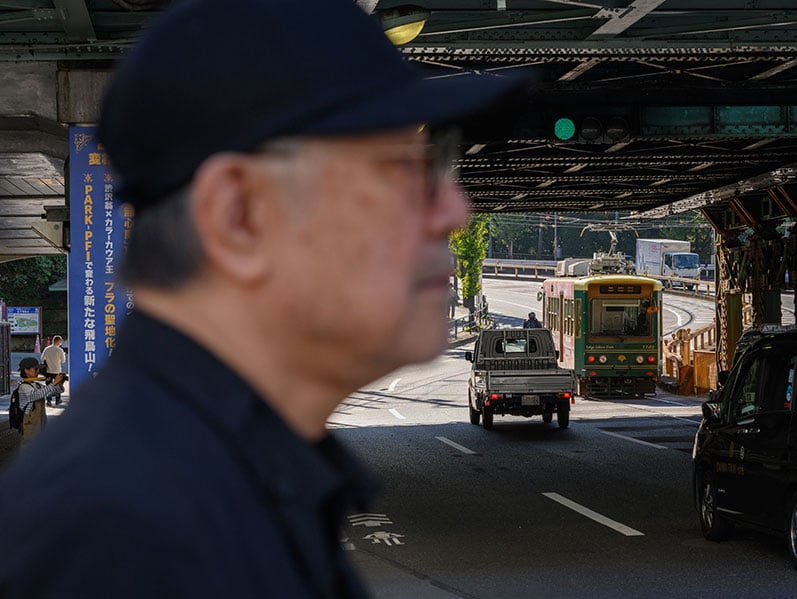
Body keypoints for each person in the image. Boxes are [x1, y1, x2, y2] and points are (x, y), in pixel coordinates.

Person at [0, 0, 522, 596]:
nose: (455, 213)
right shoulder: (125, 538)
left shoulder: (209, 478)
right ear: (240, 217)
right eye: (402, 172)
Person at [14, 357, 65, 445]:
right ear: (26, 370)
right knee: (29, 446)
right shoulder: (24, 386)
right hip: (30, 422)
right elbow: (37, 395)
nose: (38, 371)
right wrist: (54, 383)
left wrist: (60, 383)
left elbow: (53, 392)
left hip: (41, 420)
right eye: (36, 369)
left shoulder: (37, 384)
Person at [39, 335, 66, 405]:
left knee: (48, 385)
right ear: (59, 341)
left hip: (48, 371)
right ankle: (58, 399)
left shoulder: (47, 349)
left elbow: (42, 359)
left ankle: (48, 400)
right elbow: (63, 361)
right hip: (57, 370)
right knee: (58, 385)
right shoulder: (60, 350)